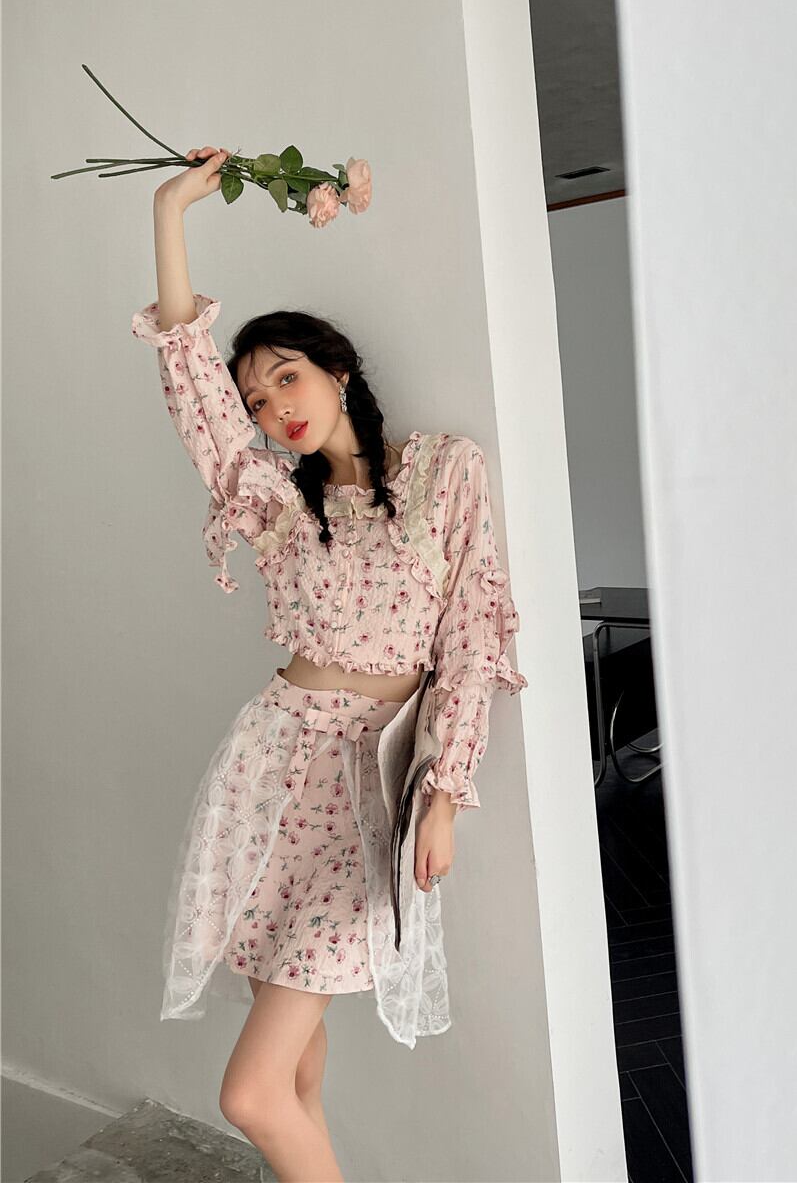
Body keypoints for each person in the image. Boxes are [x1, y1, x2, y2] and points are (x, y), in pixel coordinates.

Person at [131, 144, 527, 1183]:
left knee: (250, 1095)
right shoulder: (273, 500)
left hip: (371, 785)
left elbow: (471, 641)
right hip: (274, 772)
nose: (275, 410)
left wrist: (445, 796)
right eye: (258, 402)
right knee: (294, 1078)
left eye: (287, 379)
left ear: (337, 371)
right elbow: (192, 391)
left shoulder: (443, 473)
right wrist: (171, 212)